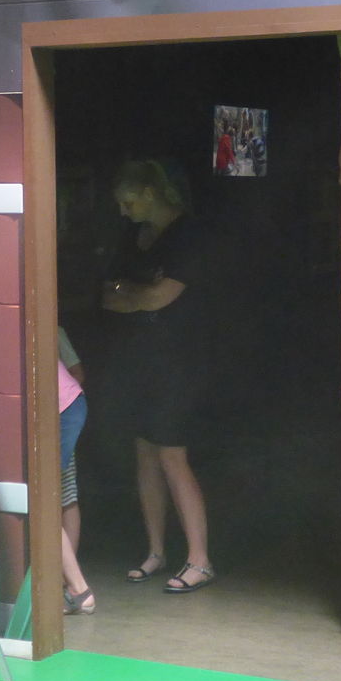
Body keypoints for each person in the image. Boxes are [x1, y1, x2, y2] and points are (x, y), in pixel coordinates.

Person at [100, 159, 213, 594]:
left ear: (150, 193)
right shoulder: (133, 235)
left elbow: (159, 296)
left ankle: (200, 559)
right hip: (139, 359)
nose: (123, 212)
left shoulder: (188, 234)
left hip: (178, 360)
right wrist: (138, 295)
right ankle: (156, 552)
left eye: (128, 202)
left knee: (171, 454)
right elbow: (108, 294)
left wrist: (133, 294)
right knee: (145, 451)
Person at [58, 326, 92, 614]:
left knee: (44, 502)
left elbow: (77, 371)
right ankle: (70, 586)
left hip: (60, 409)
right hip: (66, 406)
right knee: (63, 496)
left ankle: (77, 588)